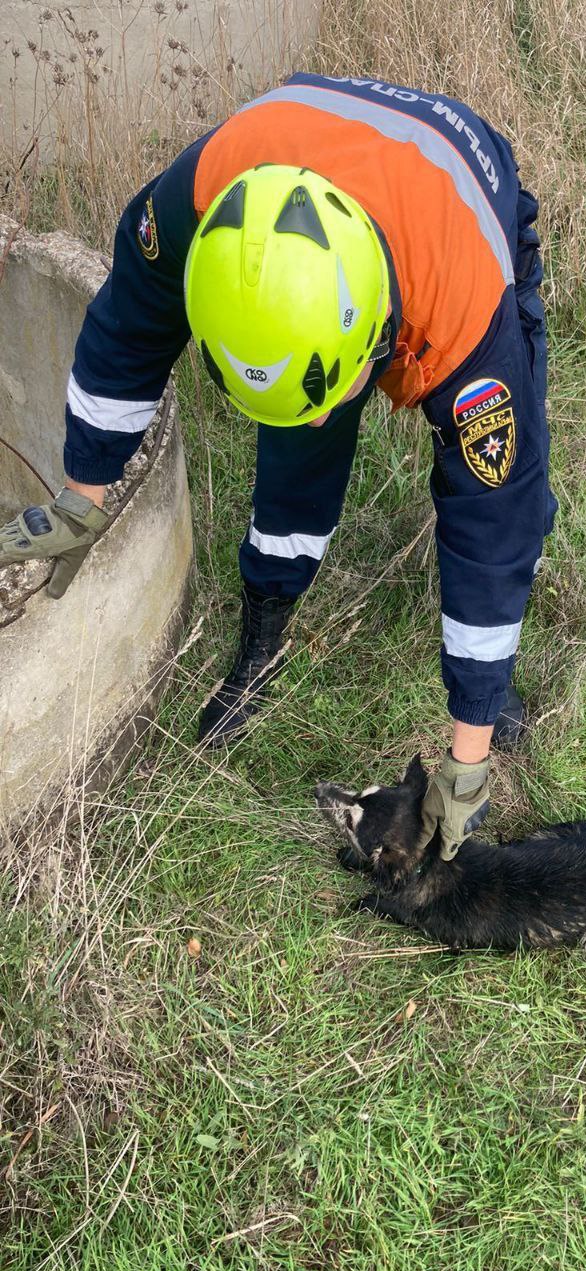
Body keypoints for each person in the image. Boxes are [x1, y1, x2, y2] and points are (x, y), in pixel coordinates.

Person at [0, 73, 557, 859]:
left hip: (458, 187)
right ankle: (262, 642)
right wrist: (83, 493)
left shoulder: (468, 310)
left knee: (515, 495)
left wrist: (466, 759)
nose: (329, 416)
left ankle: (492, 696)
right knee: (296, 456)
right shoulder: (193, 208)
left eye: (335, 390)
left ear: (381, 333)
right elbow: (125, 331)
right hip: (295, 144)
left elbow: (487, 531)